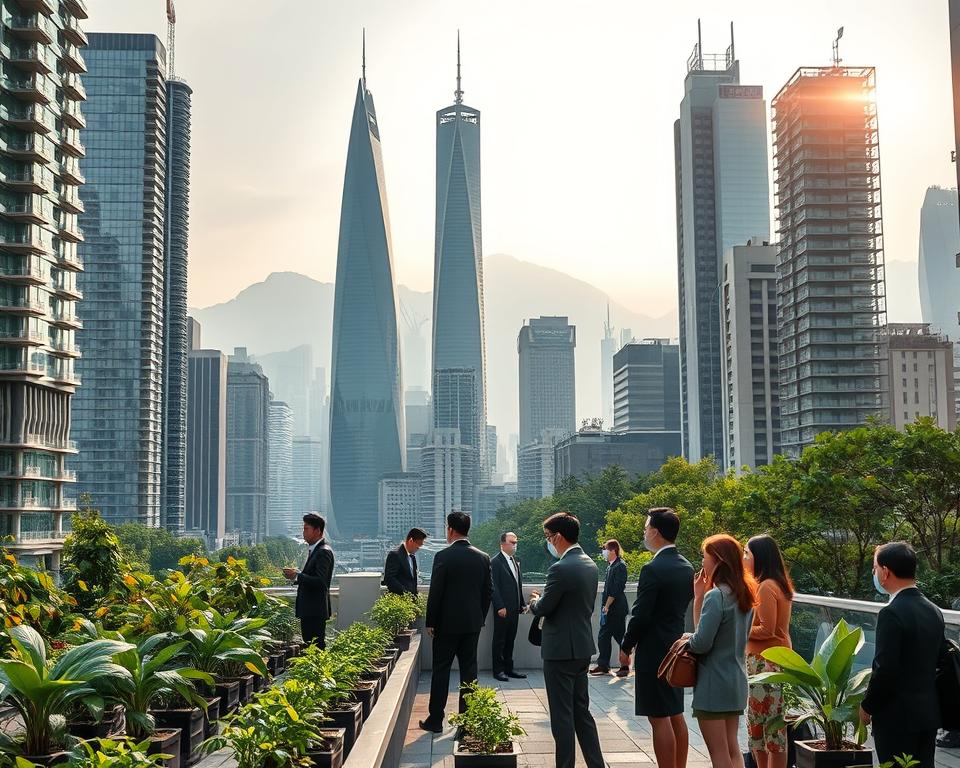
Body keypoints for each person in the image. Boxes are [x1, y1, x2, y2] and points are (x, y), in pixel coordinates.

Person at [861, 541, 950, 768]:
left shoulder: (891, 613)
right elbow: (941, 659)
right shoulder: (933, 610)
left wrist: (867, 706)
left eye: (875, 568)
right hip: (928, 715)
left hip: (896, 719)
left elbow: (885, 669)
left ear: (886, 572)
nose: (874, 573)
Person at [619, 508, 694, 768]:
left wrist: (626, 645)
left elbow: (641, 614)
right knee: (675, 713)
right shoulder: (686, 566)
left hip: (653, 650)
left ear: (656, 532)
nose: (644, 532)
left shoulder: (653, 568)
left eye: (645, 528)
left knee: (658, 717)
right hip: (675, 647)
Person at [528, 512, 605, 768]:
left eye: (548, 537)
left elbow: (546, 607)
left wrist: (535, 601)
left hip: (560, 650)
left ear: (558, 536)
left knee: (562, 717)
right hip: (582, 647)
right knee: (582, 712)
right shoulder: (590, 564)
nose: (548, 542)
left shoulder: (560, 568)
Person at [419, 511, 493, 733]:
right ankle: (468, 722)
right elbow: (488, 592)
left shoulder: (442, 556)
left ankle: (435, 720)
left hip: (446, 625)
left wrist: (431, 621)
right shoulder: (483, 557)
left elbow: (436, 592)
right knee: (469, 671)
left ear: (450, 529)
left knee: (441, 671)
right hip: (472, 624)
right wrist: (479, 617)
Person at [688, 533, 756, 768]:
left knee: (718, 753)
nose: (703, 562)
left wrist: (686, 640)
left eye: (705, 557)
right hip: (736, 680)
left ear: (717, 560)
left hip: (713, 684)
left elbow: (701, 643)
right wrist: (700, 597)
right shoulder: (744, 595)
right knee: (732, 748)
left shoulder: (716, 596)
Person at [743, 534, 794, 768]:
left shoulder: (765, 587)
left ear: (759, 558)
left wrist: (740, 630)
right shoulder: (778, 584)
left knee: (761, 728)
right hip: (773, 661)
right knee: (773, 728)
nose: (743, 558)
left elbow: (767, 629)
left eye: (747, 554)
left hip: (764, 664)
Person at [282, 513, 335, 649]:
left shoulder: (323, 551)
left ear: (317, 531)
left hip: (314, 610)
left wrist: (298, 576)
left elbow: (321, 581)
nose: (303, 532)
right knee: (310, 646)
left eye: (306, 529)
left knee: (315, 647)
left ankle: (320, 671)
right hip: (310, 609)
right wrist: (296, 576)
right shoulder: (316, 550)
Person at [491, 531, 527, 682]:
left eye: (516, 542)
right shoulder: (495, 561)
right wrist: (499, 606)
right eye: (512, 542)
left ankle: (509, 668)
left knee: (510, 639)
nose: (515, 545)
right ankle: (498, 670)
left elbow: (518, 585)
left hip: (514, 608)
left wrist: (522, 603)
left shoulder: (515, 561)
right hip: (503, 609)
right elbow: (493, 586)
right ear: (502, 544)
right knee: (500, 640)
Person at [590, 538, 629, 676]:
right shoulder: (610, 566)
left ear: (613, 550)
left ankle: (624, 666)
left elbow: (617, 588)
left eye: (605, 548)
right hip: (608, 608)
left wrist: (607, 605)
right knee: (604, 637)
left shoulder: (620, 566)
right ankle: (603, 665)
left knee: (620, 636)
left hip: (616, 609)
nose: (604, 551)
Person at [383, 527, 427, 596]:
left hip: (411, 601)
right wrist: (406, 593)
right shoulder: (395, 555)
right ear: (411, 541)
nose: (418, 549)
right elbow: (389, 578)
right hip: (400, 600)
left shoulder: (412, 557)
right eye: (417, 546)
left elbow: (413, 580)